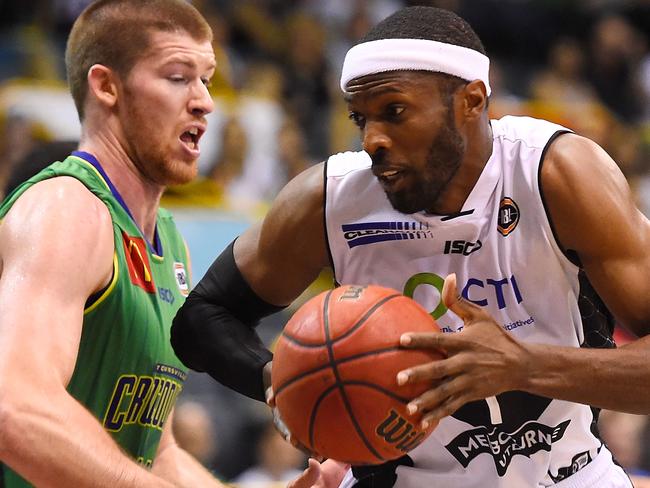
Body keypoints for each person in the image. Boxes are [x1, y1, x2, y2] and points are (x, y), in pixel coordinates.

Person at [171, 6, 650, 488]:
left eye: (394, 112)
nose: (372, 140)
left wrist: (524, 365)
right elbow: (203, 319)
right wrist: (291, 384)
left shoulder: (555, 173)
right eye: (361, 119)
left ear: (471, 100)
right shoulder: (331, 199)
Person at [0, 1, 227, 486]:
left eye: (206, 78)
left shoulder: (169, 241)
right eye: (177, 76)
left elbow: (156, 451)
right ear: (106, 86)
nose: (204, 100)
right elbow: (13, 406)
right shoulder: (68, 207)